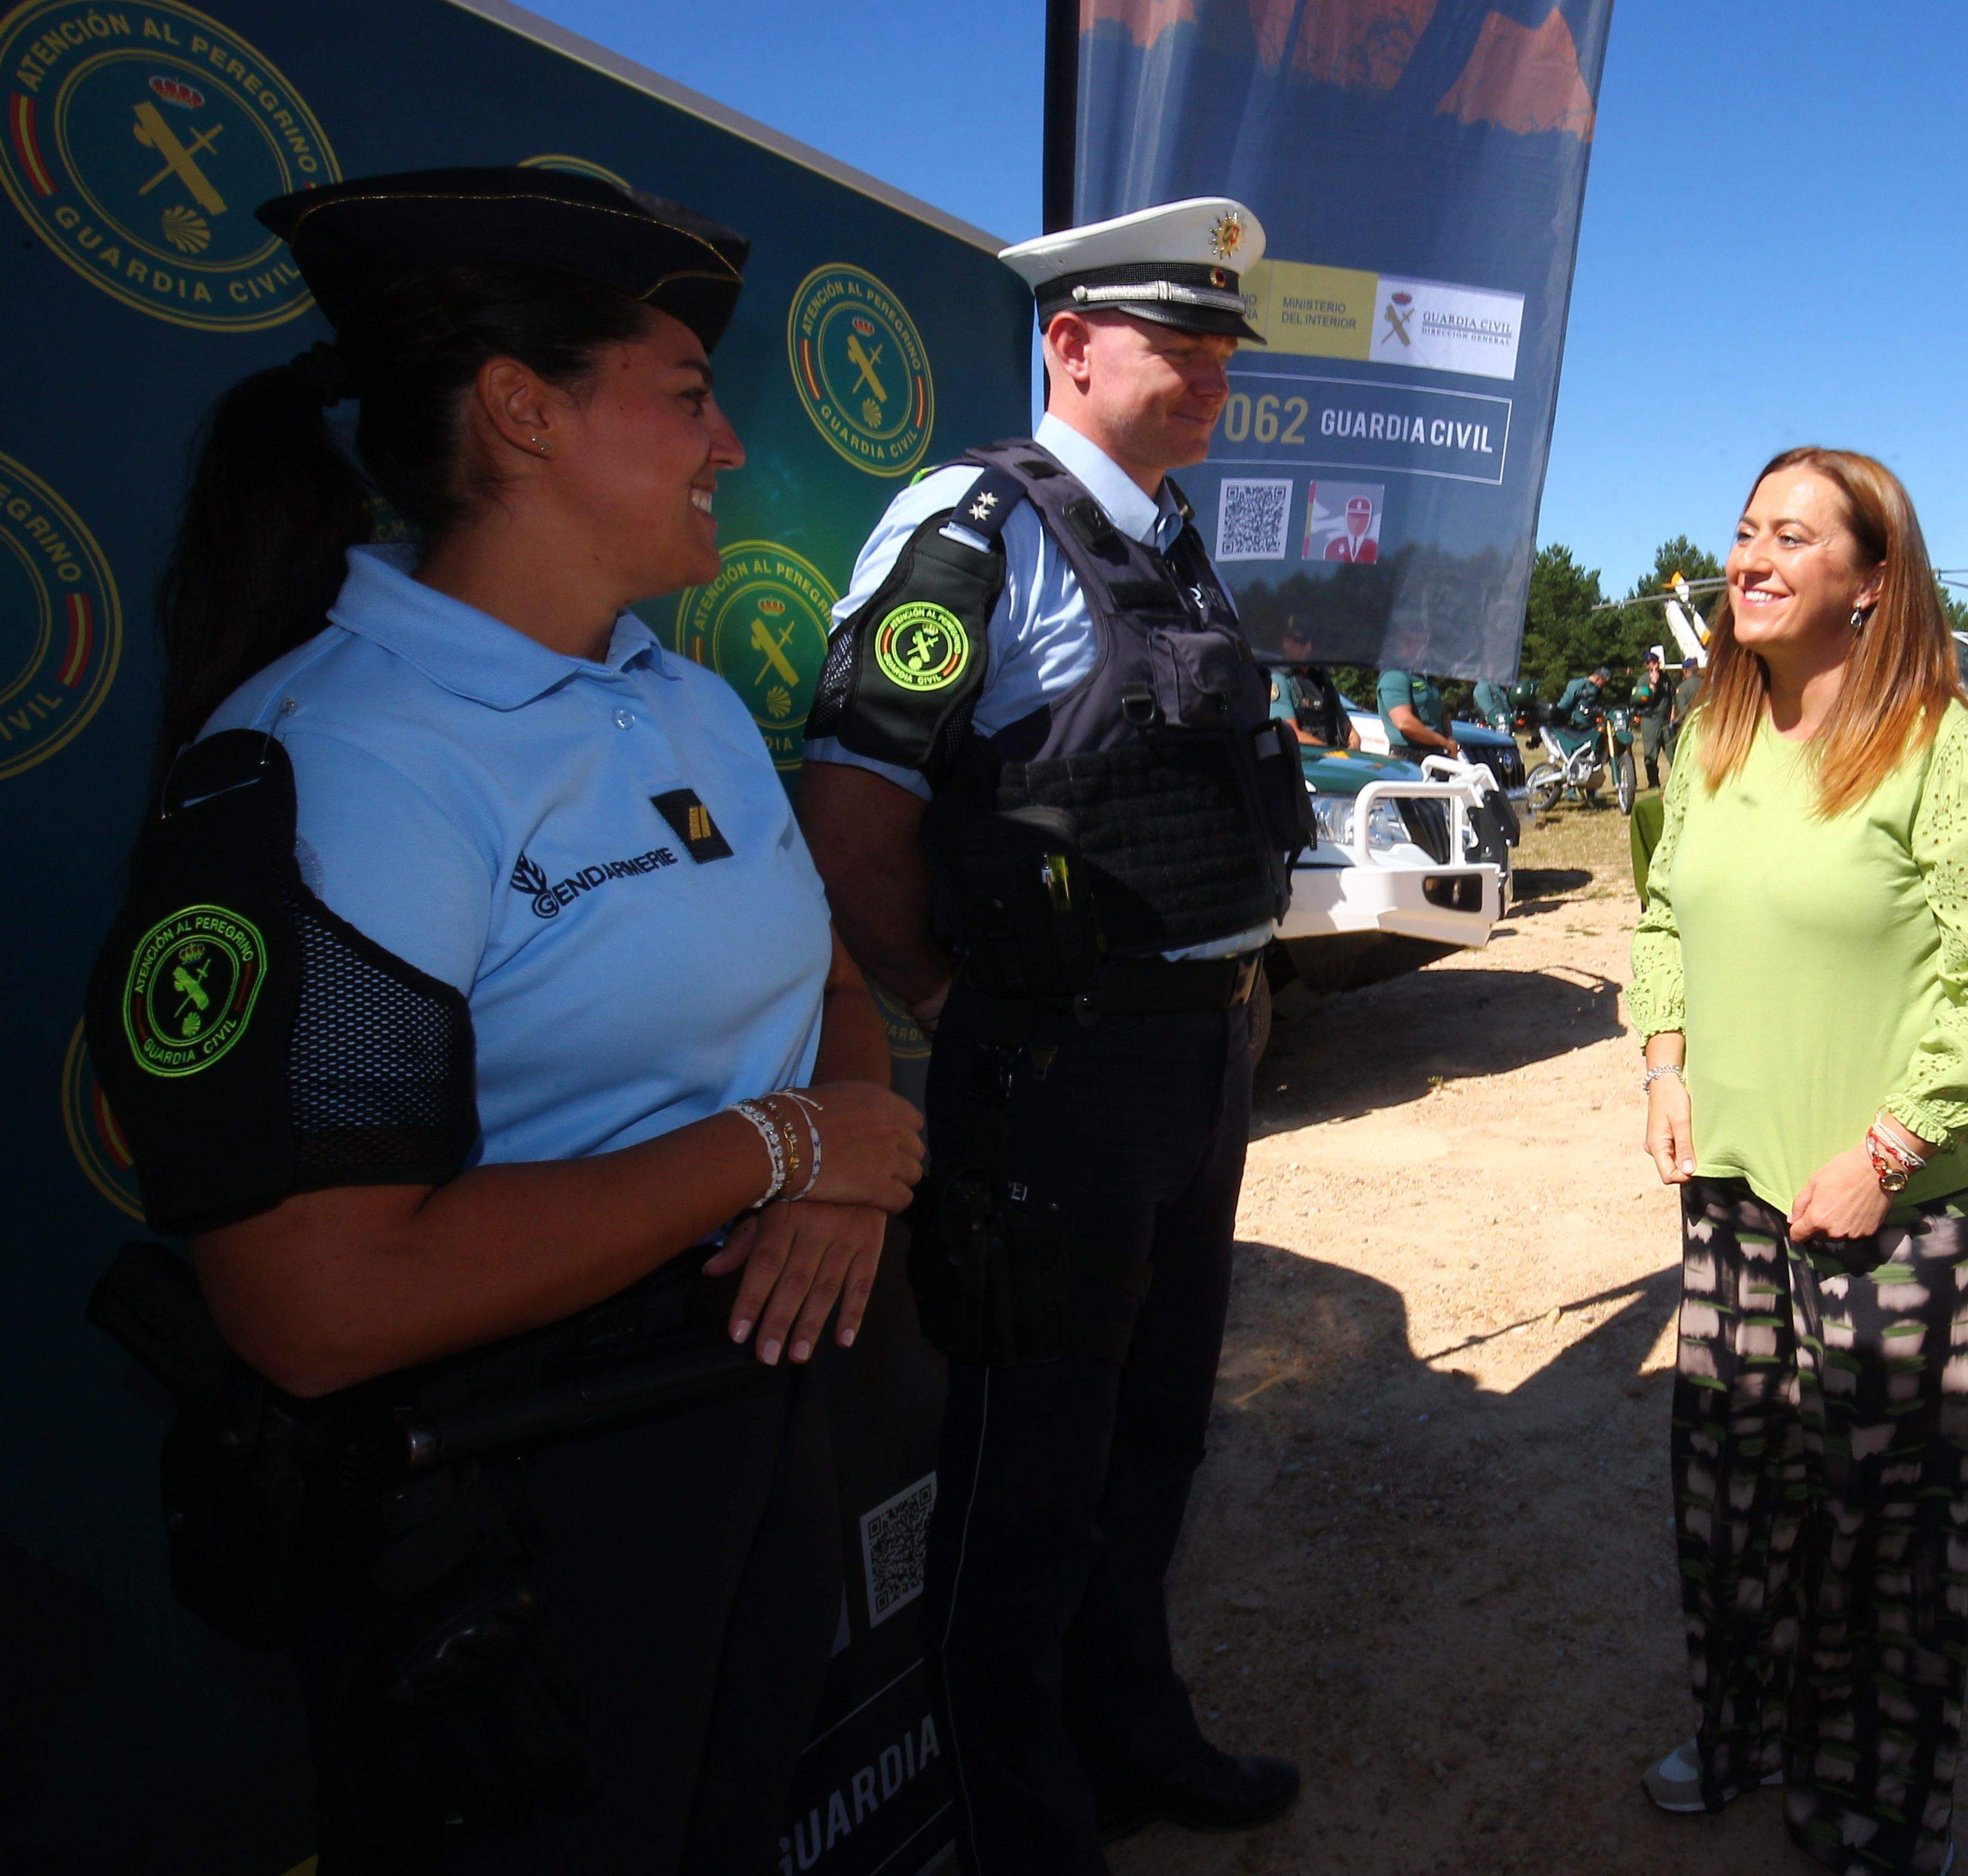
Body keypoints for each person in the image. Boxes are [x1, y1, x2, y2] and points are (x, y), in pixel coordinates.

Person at [82, 168, 927, 1871]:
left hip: (746, 1430)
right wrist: (780, 1144)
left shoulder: (676, 697)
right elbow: (317, 1302)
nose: (728, 447)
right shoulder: (349, 753)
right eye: (688, 397)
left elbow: (825, 983)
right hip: (514, 1508)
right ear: (520, 411)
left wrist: (830, 1162)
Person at [795, 197, 1307, 1876]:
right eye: (1181, 341)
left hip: (1198, 1062)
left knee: (1154, 1434)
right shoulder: (970, 526)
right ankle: (1022, 1833)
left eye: (1226, 346)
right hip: (1063, 1076)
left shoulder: (1166, 536)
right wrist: (952, 1008)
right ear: (1070, 345)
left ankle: (1132, 1739)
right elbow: (852, 808)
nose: (1212, 374)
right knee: (1031, 1476)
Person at [1628, 446, 1968, 1876]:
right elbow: (1658, 917)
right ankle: (1747, 1730)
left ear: (1870, 582)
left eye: (1792, 538)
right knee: (1732, 1499)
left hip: (1887, 1221)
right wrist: (1664, 1061)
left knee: (1883, 1535)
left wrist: (1885, 1150)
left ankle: (1881, 1808)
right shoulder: (1708, 735)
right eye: (1744, 533)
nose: (1749, 559)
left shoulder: (1948, 753)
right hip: (1732, 1205)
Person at [1269, 626, 1353, 749]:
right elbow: (1290, 734)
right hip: (1304, 760)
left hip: (1331, 756)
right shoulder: (1280, 678)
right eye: (1301, 642)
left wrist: (1353, 737)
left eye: (1312, 642)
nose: (1309, 648)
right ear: (1286, 642)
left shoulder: (1322, 678)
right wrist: (1330, 752)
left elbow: (1345, 723)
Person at [1375, 663, 1462, 761]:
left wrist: (1449, 740)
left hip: (1437, 754)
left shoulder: (1426, 677)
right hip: (1408, 757)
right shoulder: (1394, 676)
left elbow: (1443, 714)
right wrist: (1444, 743)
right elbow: (1405, 723)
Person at [1629, 646, 1674, 788]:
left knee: (1673, 752)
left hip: (1665, 721)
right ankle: (1654, 783)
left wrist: (1673, 717)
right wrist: (1653, 684)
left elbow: (1672, 698)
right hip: (1650, 722)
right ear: (1646, 666)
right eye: (1649, 663)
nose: (1653, 665)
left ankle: (1677, 780)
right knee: (1651, 754)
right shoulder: (1642, 681)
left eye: (1654, 662)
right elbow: (1643, 701)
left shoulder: (1666, 679)